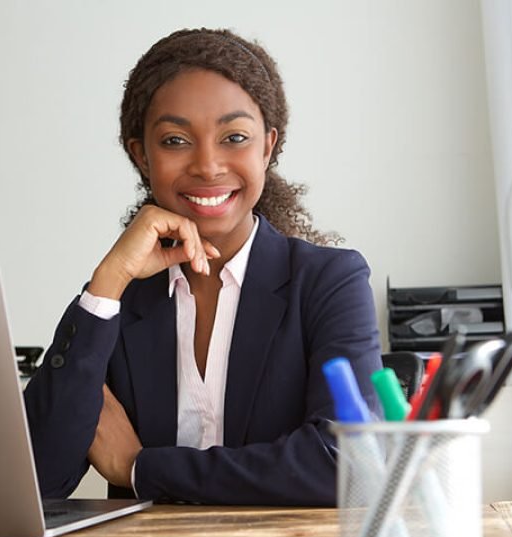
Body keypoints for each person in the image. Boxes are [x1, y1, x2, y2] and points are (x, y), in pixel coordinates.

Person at [24, 28, 382, 506]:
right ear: (141, 156)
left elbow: (347, 467)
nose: (208, 166)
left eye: (234, 137)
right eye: (175, 140)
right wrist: (107, 282)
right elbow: (37, 481)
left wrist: (141, 468)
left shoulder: (328, 283)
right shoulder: (114, 308)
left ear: (268, 147)